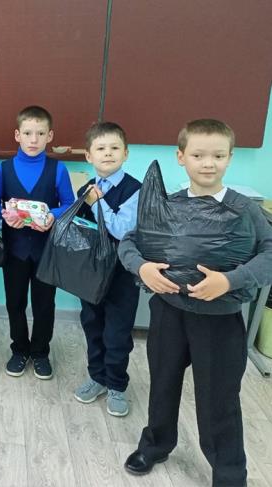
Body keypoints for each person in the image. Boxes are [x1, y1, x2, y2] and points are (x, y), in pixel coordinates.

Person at [120, 119, 272, 486]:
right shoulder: (168, 206)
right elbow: (129, 242)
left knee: (219, 397)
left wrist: (229, 280)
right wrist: (142, 268)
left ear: (230, 158)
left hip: (219, 320)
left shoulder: (245, 210)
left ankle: (229, 473)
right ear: (181, 157)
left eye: (218, 156)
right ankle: (155, 444)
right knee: (162, 383)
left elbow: (269, 252)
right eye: (199, 155)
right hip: (169, 313)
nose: (208, 163)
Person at [0, 106, 74, 380]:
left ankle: (41, 352)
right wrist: (7, 216)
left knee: (44, 304)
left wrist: (52, 215)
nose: (33, 139)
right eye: (28, 133)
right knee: (14, 303)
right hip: (15, 251)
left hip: (46, 252)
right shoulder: (3, 169)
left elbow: (69, 204)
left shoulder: (58, 169)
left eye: (40, 134)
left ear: (49, 136)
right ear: (17, 135)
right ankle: (19, 350)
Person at [72, 121, 141, 417]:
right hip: (91, 273)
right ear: (89, 156)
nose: (108, 153)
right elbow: (79, 225)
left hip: (122, 274)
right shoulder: (86, 188)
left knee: (118, 332)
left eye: (115, 148)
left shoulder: (135, 189)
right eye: (101, 148)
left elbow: (123, 229)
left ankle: (116, 384)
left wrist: (97, 203)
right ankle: (97, 377)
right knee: (92, 324)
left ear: (126, 153)